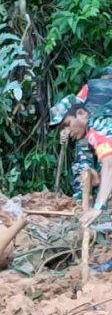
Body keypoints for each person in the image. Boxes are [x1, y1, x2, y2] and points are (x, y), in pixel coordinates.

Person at [50, 95, 112, 271]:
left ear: (81, 113)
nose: (68, 132)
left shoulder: (96, 128)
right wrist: (99, 178)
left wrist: (97, 207)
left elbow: (110, 164)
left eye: (67, 124)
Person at [61, 66, 112, 201]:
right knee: (94, 160)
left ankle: (97, 192)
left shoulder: (94, 88)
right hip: (89, 129)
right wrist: (67, 130)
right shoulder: (89, 89)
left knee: (105, 161)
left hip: (97, 130)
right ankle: (84, 193)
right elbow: (73, 111)